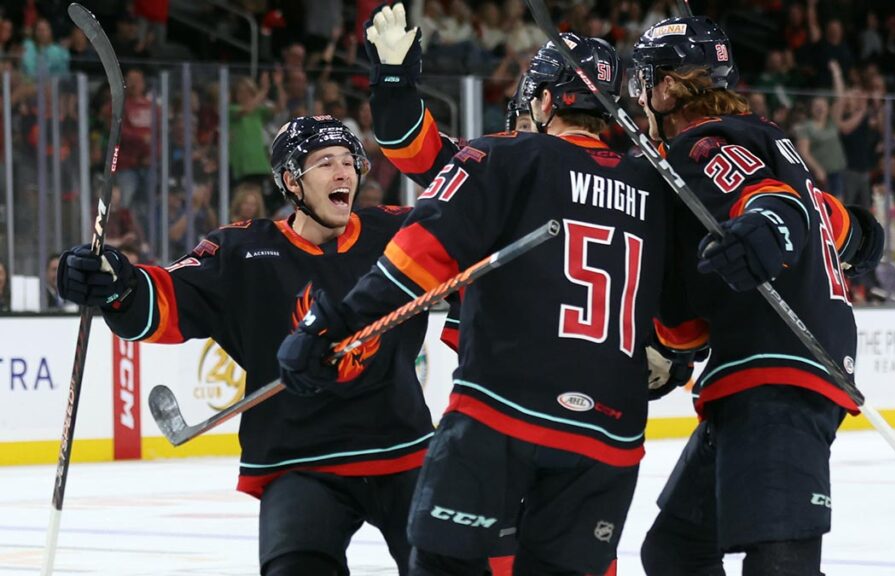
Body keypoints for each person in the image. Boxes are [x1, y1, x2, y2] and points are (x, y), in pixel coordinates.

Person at [279, 32, 693, 576]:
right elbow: (685, 308)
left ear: (544, 102)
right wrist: (674, 353)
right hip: (608, 432)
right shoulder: (657, 186)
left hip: (503, 411)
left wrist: (340, 322)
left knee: (446, 564)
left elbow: (417, 249)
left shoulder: (503, 156)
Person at [56, 116, 439, 576]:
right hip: (299, 459)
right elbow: (162, 303)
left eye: (348, 163)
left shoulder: (398, 230)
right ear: (291, 182)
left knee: (454, 566)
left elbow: (479, 244)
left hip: (403, 449)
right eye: (324, 164)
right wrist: (115, 283)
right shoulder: (242, 252)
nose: (343, 174)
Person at [629, 16, 880, 576]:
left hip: (778, 372)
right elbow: (836, 226)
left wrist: (772, 229)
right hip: (767, 374)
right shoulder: (765, 142)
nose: (639, 97)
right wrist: (670, 349)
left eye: (645, 81)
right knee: (676, 549)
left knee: (779, 562)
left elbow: (770, 206)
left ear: (668, 87)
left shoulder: (701, 144)